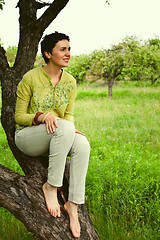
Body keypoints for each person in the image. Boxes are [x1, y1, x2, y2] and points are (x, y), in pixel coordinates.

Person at [14, 32, 90, 239]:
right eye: (62, 49)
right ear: (48, 53)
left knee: (82, 143)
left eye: (69, 49)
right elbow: (19, 116)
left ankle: (73, 204)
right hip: (29, 137)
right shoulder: (30, 78)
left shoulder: (70, 82)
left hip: (58, 135)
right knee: (64, 127)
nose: (68, 54)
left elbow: (69, 115)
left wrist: (70, 130)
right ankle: (51, 187)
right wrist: (42, 116)